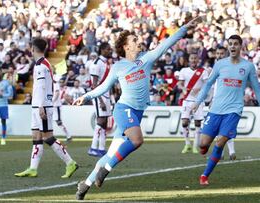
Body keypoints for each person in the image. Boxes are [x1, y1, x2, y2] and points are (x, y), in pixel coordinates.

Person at [73, 17, 202, 200]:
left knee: (112, 153)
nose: (138, 41)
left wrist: (183, 29)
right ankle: (105, 171)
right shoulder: (118, 66)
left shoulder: (146, 59)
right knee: (137, 140)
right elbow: (104, 87)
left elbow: (166, 44)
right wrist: (86, 96)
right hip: (124, 108)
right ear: (126, 46)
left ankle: (85, 184)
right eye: (134, 40)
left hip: (137, 112)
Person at [192, 35, 260, 186]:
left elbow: (257, 88)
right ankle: (204, 148)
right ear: (228, 46)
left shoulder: (248, 66)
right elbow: (208, 84)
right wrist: (197, 102)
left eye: (236, 44)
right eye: (230, 44)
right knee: (203, 144)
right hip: (216, 109)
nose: (233, 47)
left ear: (241, 46)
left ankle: (204, 175)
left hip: (234, 111)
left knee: (221, 141)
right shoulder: (220, 64)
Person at [14, 38, 78, 178]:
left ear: (32, 48)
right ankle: (33, 168)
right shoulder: (42, 64)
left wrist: (42, 105)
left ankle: (70, 162)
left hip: (42, 105)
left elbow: (43, 87)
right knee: (36, 136)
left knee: (48, 137)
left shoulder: (41, 65)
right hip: (37, 105)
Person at [177, 53, 209, 154]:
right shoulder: (184, 71)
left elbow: (207, 85)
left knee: (197, 123)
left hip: (198, 101)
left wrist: (199, 89)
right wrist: (183, 88)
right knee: (184, 122)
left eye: (195, 58)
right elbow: (179, 83)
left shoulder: (203, 71)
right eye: (192, 58)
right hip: (187, 100)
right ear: (189, 60)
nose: (194, 60)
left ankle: (195, 146)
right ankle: (187, 144)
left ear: (198, 60)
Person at [88, 42, 113, 157]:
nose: (110, 51)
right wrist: (101, 100)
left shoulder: (106, 63)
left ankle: (102, 148)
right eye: (108, 49)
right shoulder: (96, 64)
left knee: (104, 122)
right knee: (100, 120)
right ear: (102, 50)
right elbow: (93, 85)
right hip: (99, 95)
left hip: (106, 94)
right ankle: (93, 147)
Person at [214, 46, 236, 160]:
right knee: (219, 128)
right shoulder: (216, 67)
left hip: (228, 101)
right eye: (217, 53)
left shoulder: (230, 67)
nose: (219, 55)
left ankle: (231, 151)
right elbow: (214, 85)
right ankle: (222, 153)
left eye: (221, 53)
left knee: (226, 127)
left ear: (225, 54)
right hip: (216, 101)